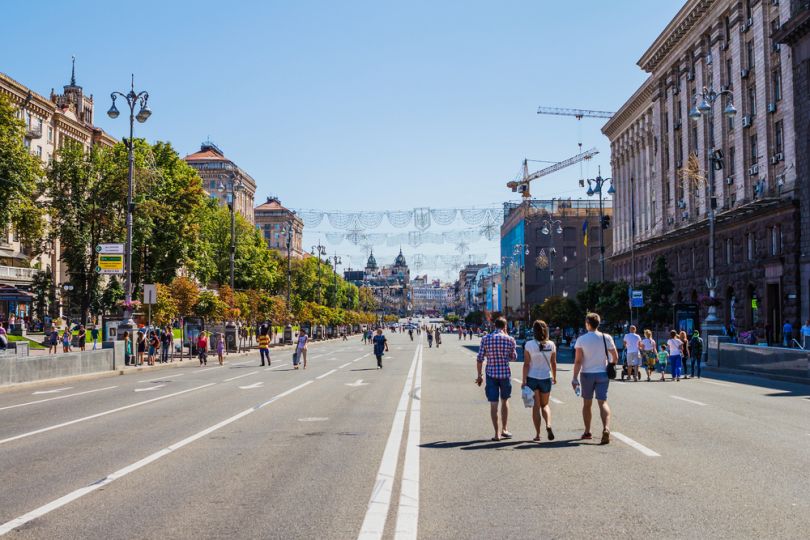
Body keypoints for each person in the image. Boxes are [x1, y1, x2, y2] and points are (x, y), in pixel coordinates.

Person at [572, 312, 618, 444]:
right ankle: (606, 428)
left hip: (586, 374)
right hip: (603, 374)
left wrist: (575, 378)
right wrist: (610, 365)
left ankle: (587, 432)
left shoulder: (582, 339)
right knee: (602, 402)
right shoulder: (606, 337)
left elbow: (578, 361)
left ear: (587, 324)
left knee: (587, 404)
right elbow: (615, 357)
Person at [476, 317, 517, 441]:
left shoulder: (485, 338)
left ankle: (496, 433)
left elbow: (480, 358)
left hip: (491, 374)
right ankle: (504, 429)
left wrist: (479, 375)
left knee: (493, 404)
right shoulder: (510, 339)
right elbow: (514, 357)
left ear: (494, 326)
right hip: (505, 374)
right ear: (505, 327)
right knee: (505, 401)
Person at [521, 320, 557, 443]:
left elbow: (526, 364)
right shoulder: (551, 344)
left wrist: (524, 379)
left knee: (536, 407)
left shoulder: (529, 344)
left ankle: (537, 434)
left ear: (534, 331)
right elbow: (553, 363)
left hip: (532, 378)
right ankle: (548, 425)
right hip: (546, 378)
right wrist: (555, 377)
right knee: (545, 405)